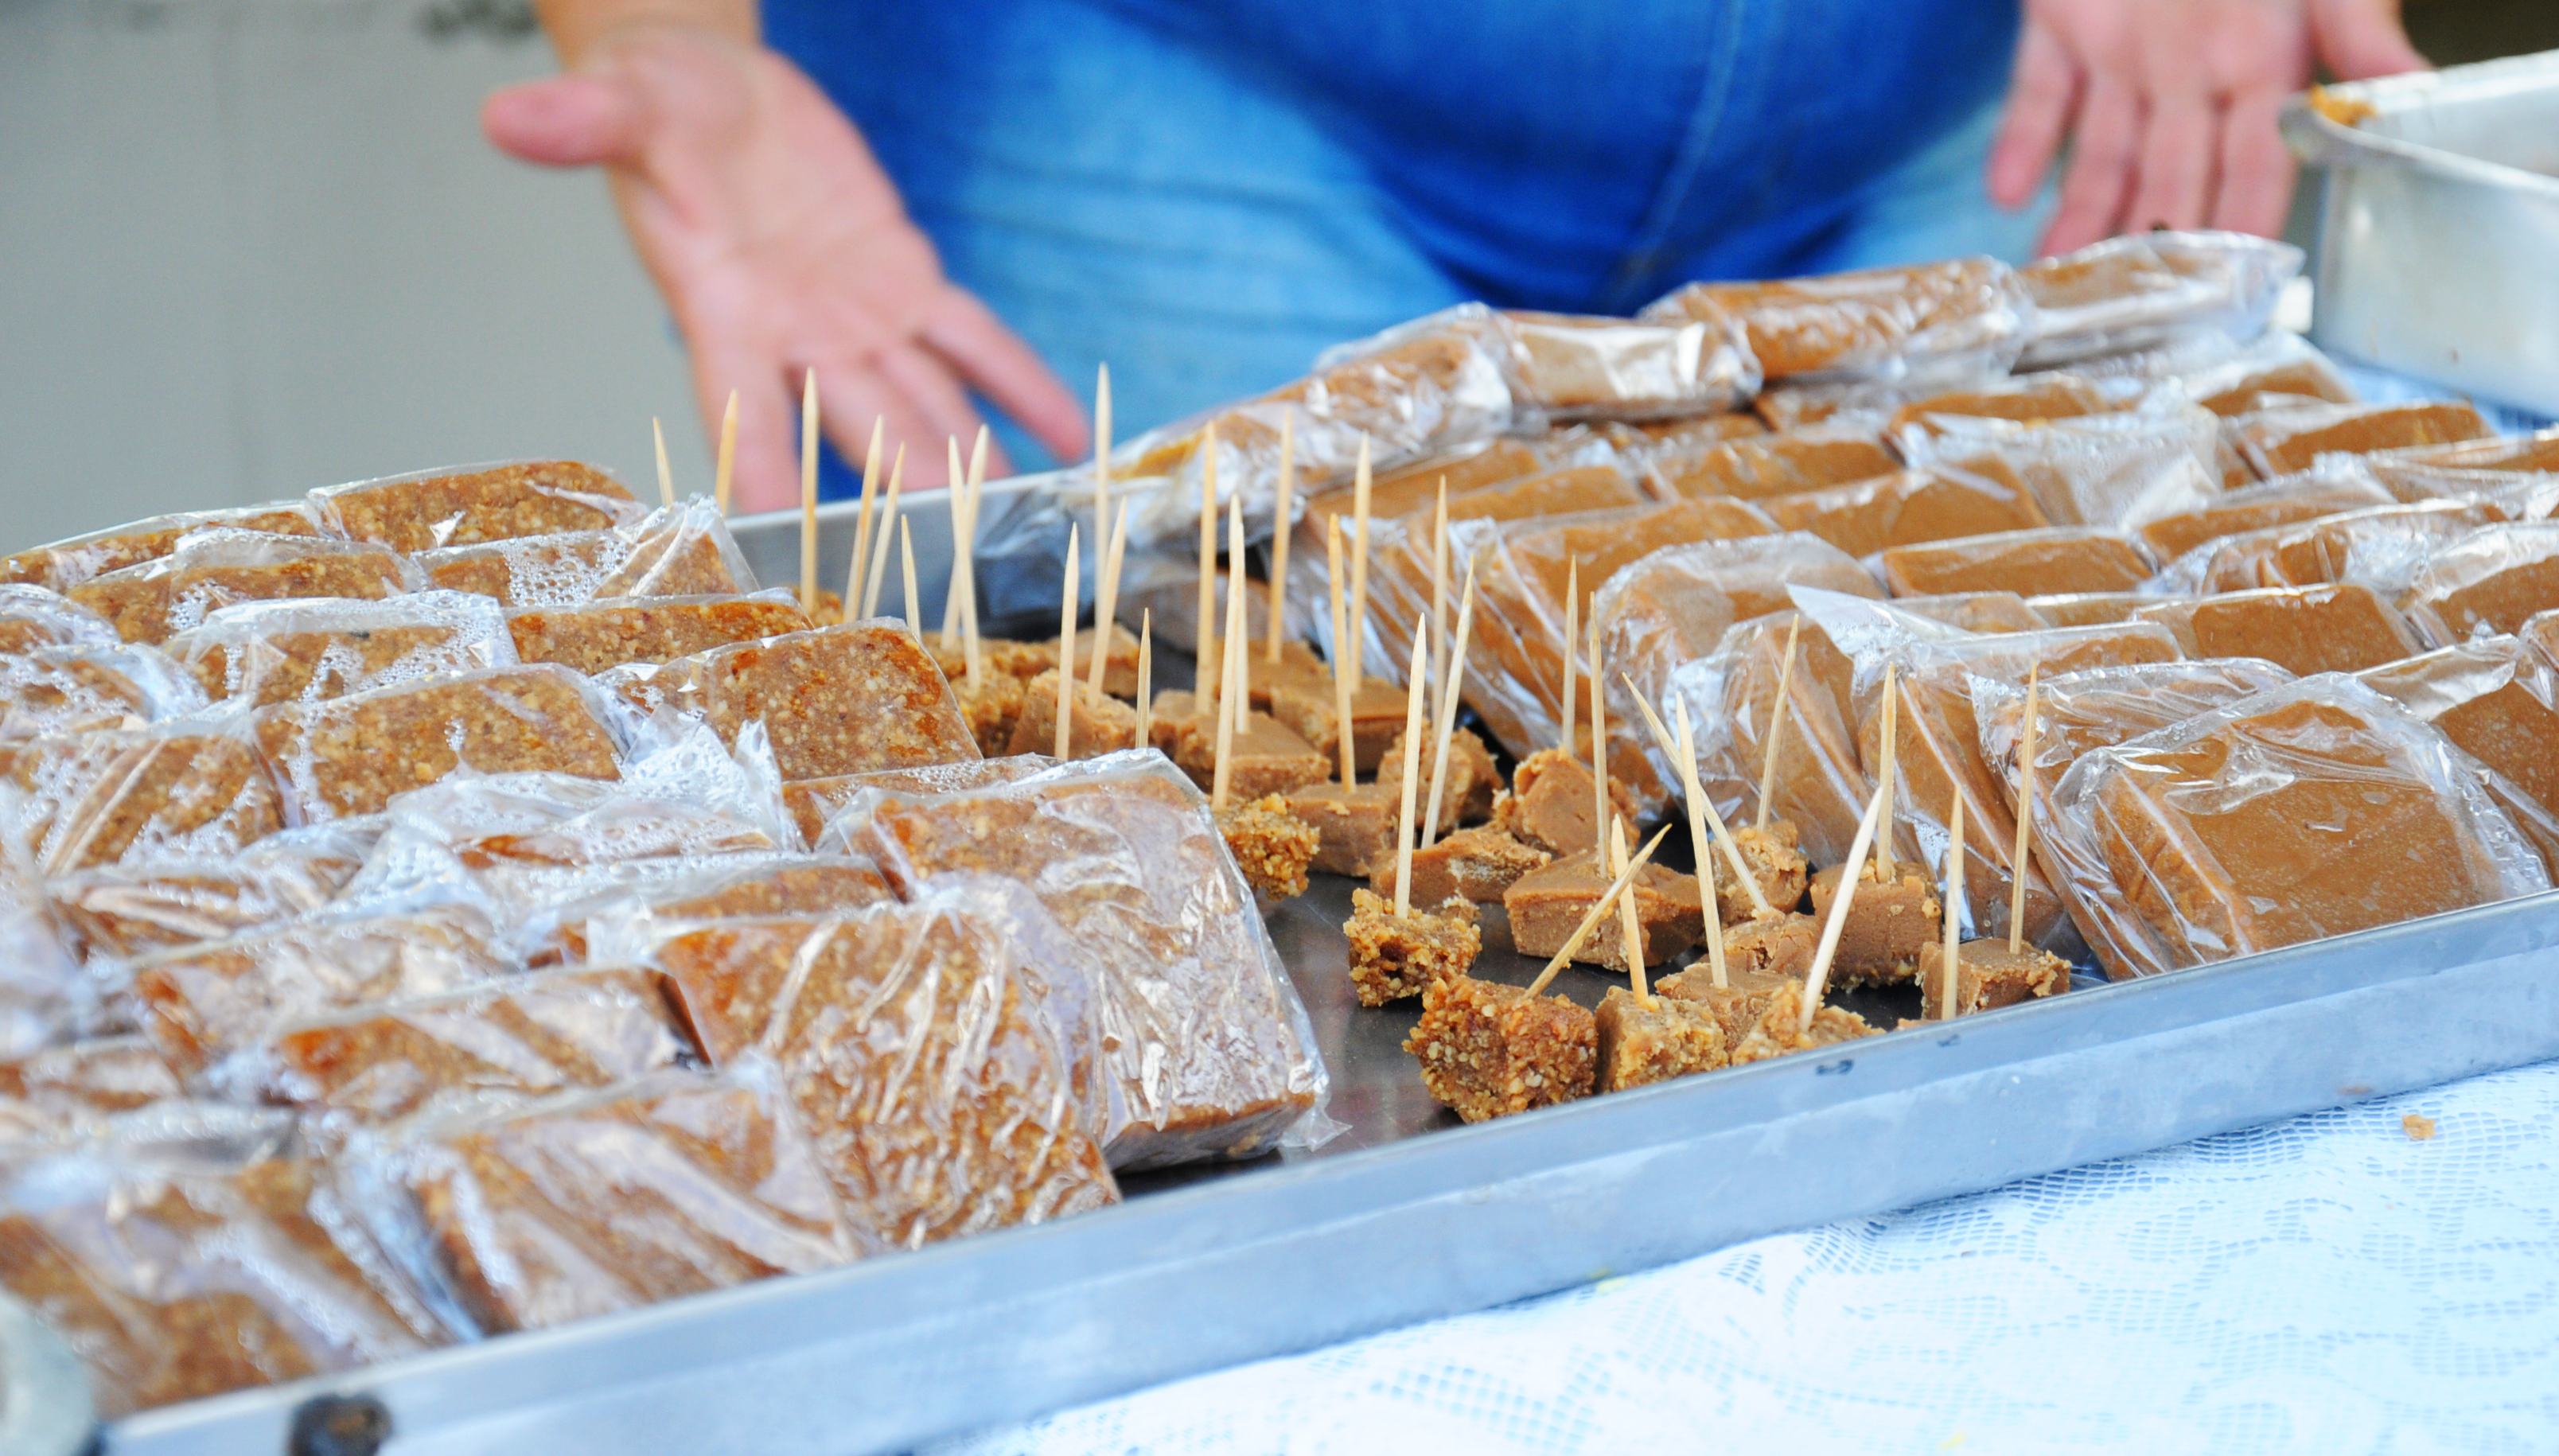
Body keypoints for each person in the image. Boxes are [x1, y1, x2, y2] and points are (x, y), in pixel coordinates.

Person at [484, 0, 2426, 512]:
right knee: (1222, 912)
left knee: (2022, 831)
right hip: (1139, 77)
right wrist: (658, 31)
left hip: (1978, 80)